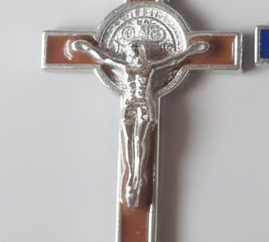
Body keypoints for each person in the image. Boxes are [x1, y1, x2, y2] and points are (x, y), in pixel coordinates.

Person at [67, 37, 210, 208]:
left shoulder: (150, 67)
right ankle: (130, 175)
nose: (133, 55)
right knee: (128, 139)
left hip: (144, 105)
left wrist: (192, 50)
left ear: (142, 53)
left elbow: (173, 60)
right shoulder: (124, 66)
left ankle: (139, 175)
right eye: (131, 52)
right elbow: (104, 58)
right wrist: (88, 47)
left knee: (140, 141)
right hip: (129, 106)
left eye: (136, 52)